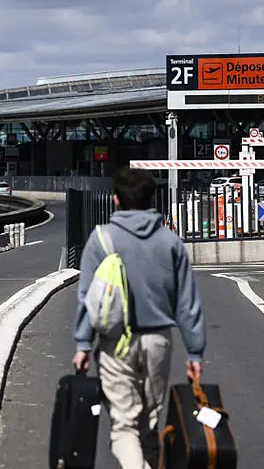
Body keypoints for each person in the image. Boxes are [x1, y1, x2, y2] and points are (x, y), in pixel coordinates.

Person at [72, 167, 206, 469]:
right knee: (149, 421)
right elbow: (187, 302)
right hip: (158, 340)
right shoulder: (171, 242)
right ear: (152, 199)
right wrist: (195, 350)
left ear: (116, 200)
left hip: (114, 342)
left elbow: (87, 298)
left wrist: (82, 344)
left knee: (123, 425)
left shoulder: (101, 240)